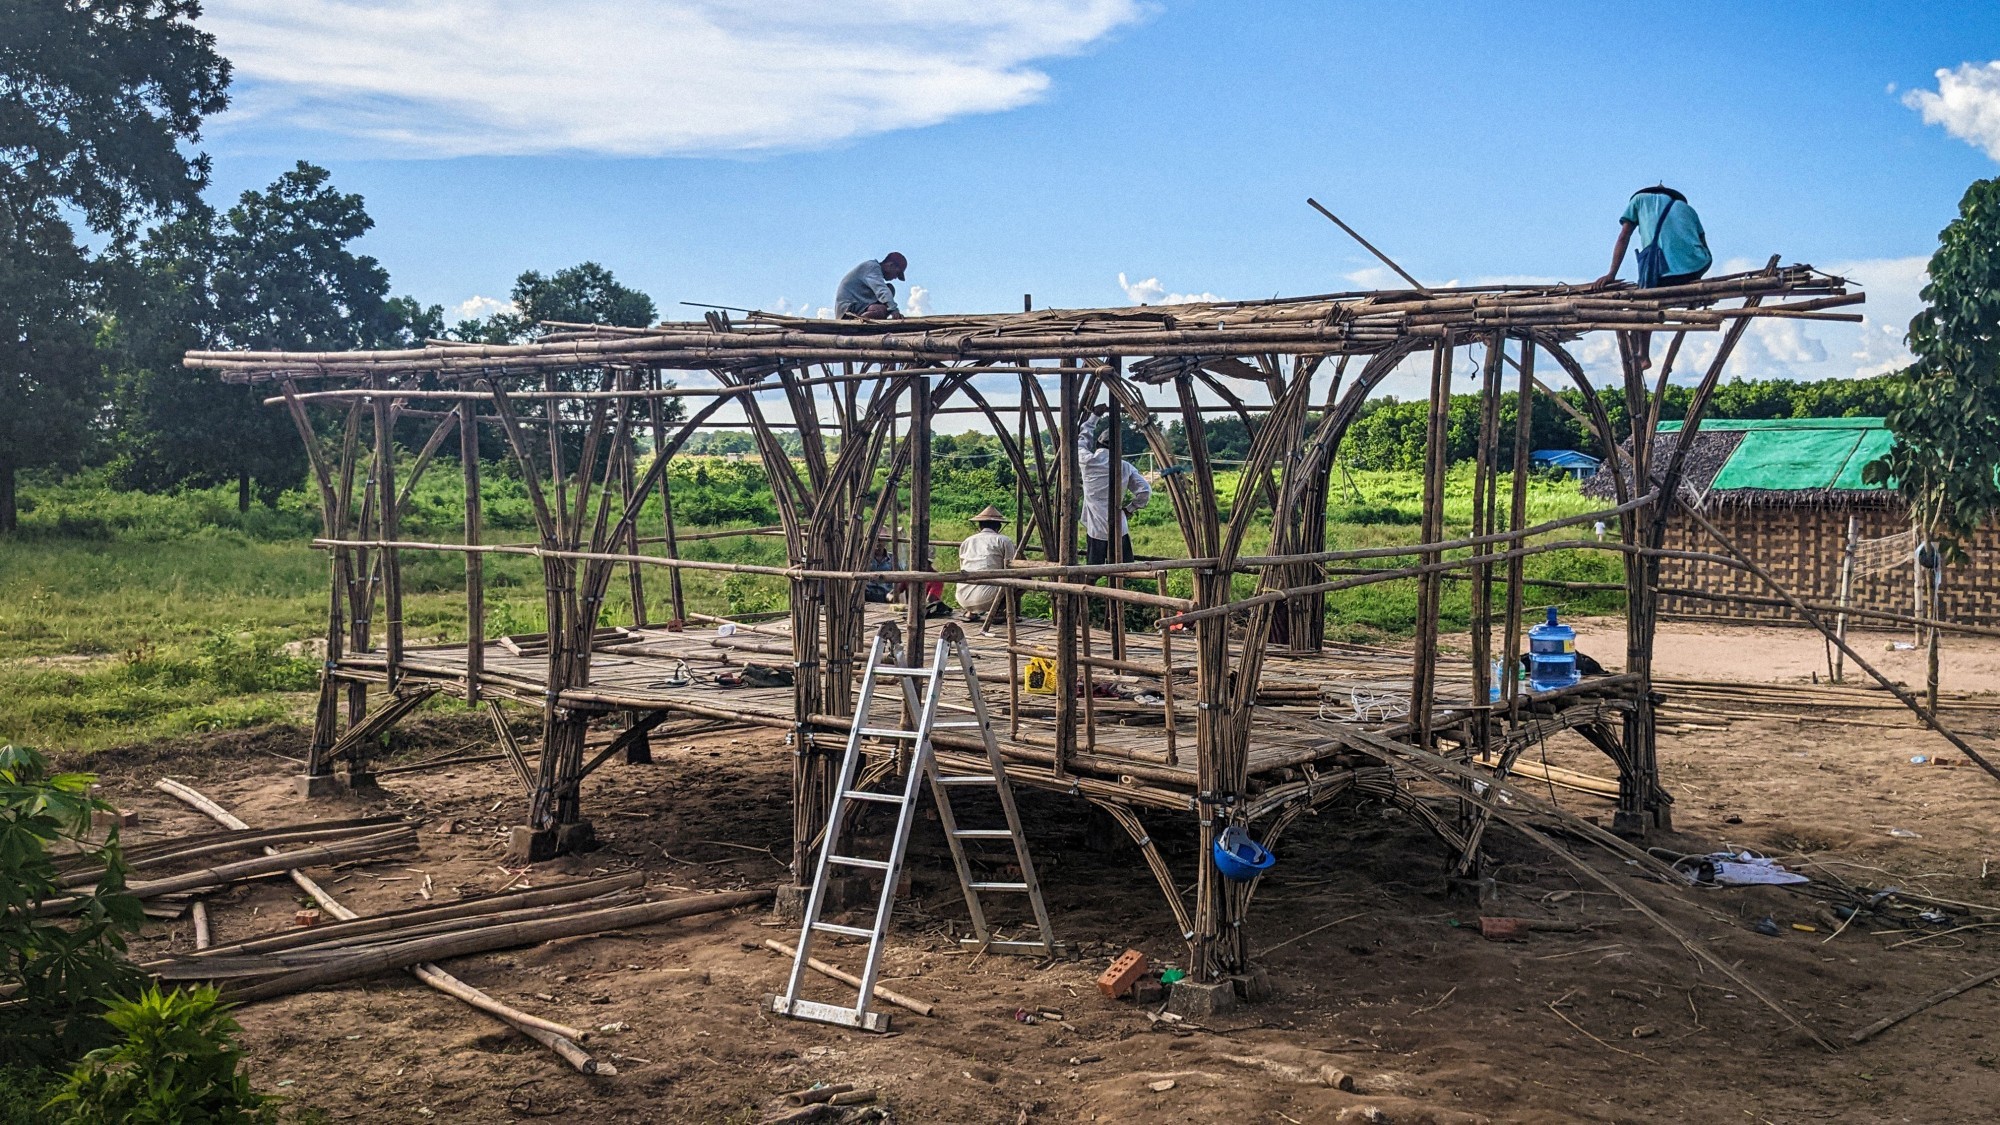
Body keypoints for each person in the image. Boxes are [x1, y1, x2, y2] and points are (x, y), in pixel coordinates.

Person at [1594, 186, 1712, 369]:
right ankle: (1640, 348)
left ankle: (1643, 355)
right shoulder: (1688, 209)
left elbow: (1624, 236)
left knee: (1644, 298)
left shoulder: (1639, 199)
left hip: (1664, 269)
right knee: (1651, 288)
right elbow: (1703, 243)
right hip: (1696, 265)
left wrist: (1611, 274)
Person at [1079, 407, 1152, 571]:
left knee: (1092, 573)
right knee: (1124, 571)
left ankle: (1089, 595)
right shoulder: (1125, 467)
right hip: (1119, 528)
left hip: (1096, 530)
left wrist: (1094, 417)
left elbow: (1081, 441)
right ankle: (1120, 595)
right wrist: (1130, 509)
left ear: (1098, 443)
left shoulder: (1087, 462)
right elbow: (1145, 491)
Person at [954, 505, 1018, 622]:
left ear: (980, 526)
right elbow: (1010, 567)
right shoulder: (1003, 540)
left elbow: (963, 566)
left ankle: (970, 612)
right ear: (998, 526)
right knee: (1023, 579)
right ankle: (998, 611)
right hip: (988, 597)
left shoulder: (967, 541)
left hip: (962, 595)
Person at [835, 253, 908, 320]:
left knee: (890, 289)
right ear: (891, 265)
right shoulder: (872, 267)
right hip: (847, 309)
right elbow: (881, 290)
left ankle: (866, 317)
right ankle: (859, 321)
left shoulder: (875, 271)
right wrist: (894, 310)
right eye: (897, 273)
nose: (895, 277)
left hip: (859, 304)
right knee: (881, 310)